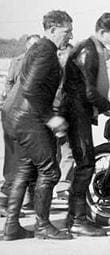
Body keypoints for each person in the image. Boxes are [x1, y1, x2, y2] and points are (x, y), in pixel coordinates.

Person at [2, 10, 73, 241]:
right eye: (66, 31)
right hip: (28, 118)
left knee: (23, 169)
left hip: (15, 116)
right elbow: (32, 90)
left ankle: (11, 227)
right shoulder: (46, 50)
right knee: (50, 170)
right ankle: (42, 226)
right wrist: (52, 119)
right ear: (52, 29)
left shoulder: (39, 48)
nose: (69, 37)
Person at [60, 12, 110, 237]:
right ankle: (77, 219)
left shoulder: (94, 48)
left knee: (85, 163)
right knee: (86, 164)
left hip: (80, 112)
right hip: (76, 113)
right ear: (102, 32)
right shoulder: (89, 50)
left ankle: (74, 217)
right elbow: (88, 91)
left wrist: (108, 107)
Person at [0, 34, 40, 216]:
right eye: (31, 45)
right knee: (14, 158)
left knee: (30, 159)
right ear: (26, 47)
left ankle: (26, 200)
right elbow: (9, 83)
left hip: (27, 114)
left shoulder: (42, 61)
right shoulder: (19, 62)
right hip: (18, 114)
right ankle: (7, 201)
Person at [54, 43, 75, 200]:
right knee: (49, 155)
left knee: (68, 152)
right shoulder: (51, 73)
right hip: (51, 117)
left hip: (66, 117)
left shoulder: (72, 74)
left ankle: (63, 187)